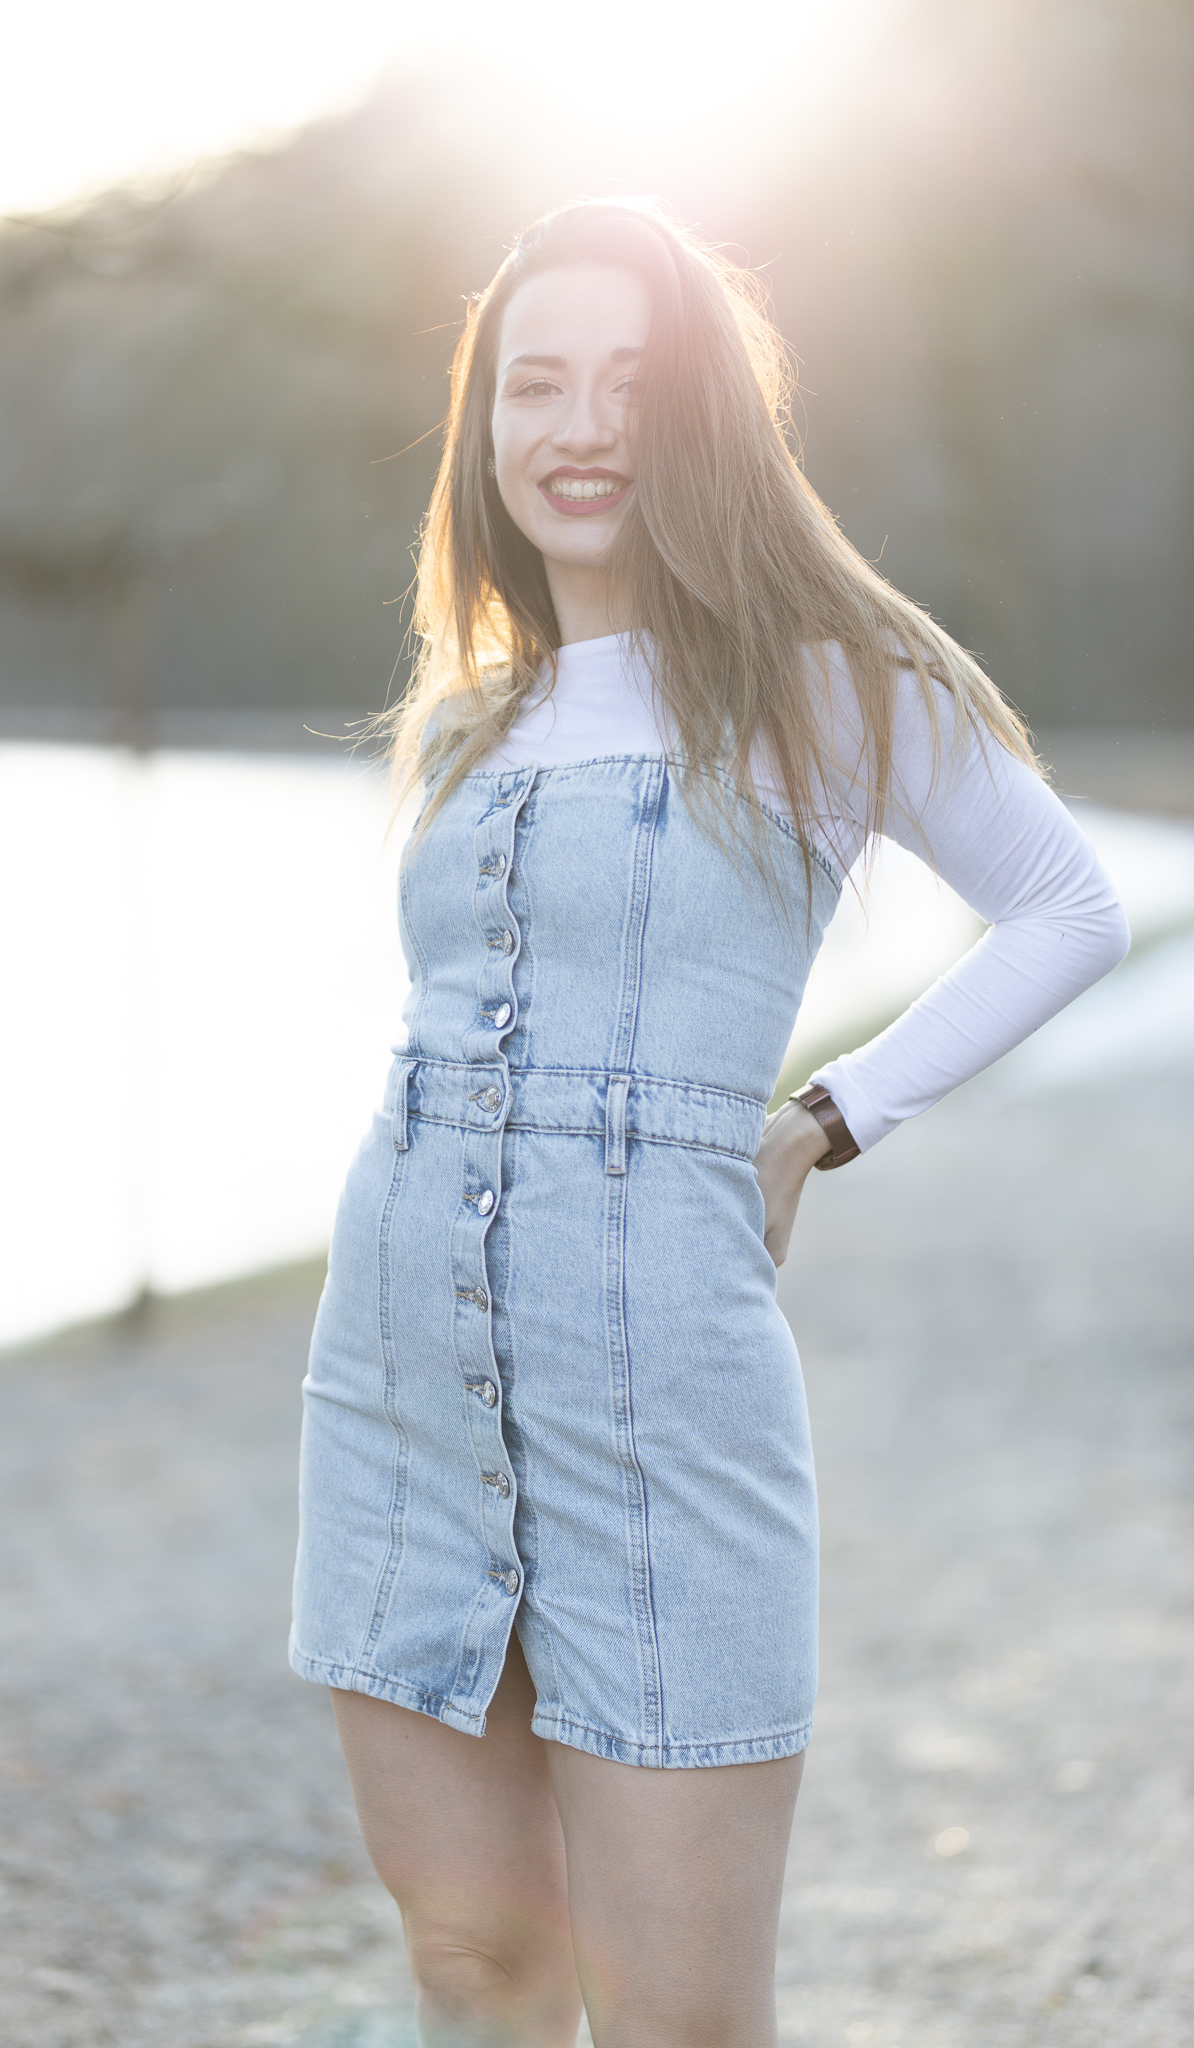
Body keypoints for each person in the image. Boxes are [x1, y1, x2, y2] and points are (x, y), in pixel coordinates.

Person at [288, 200, 1129, 2048]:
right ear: (485, 427)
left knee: (676, 2019)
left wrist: (821, 1119)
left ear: (706, 420)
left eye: (630, 383)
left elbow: (1069, 907)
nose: (579, 426)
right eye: (537, 385)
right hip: (397, 1381)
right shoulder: (470, 714)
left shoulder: (818, 681)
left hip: (660, 1404)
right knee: (472, 1970)